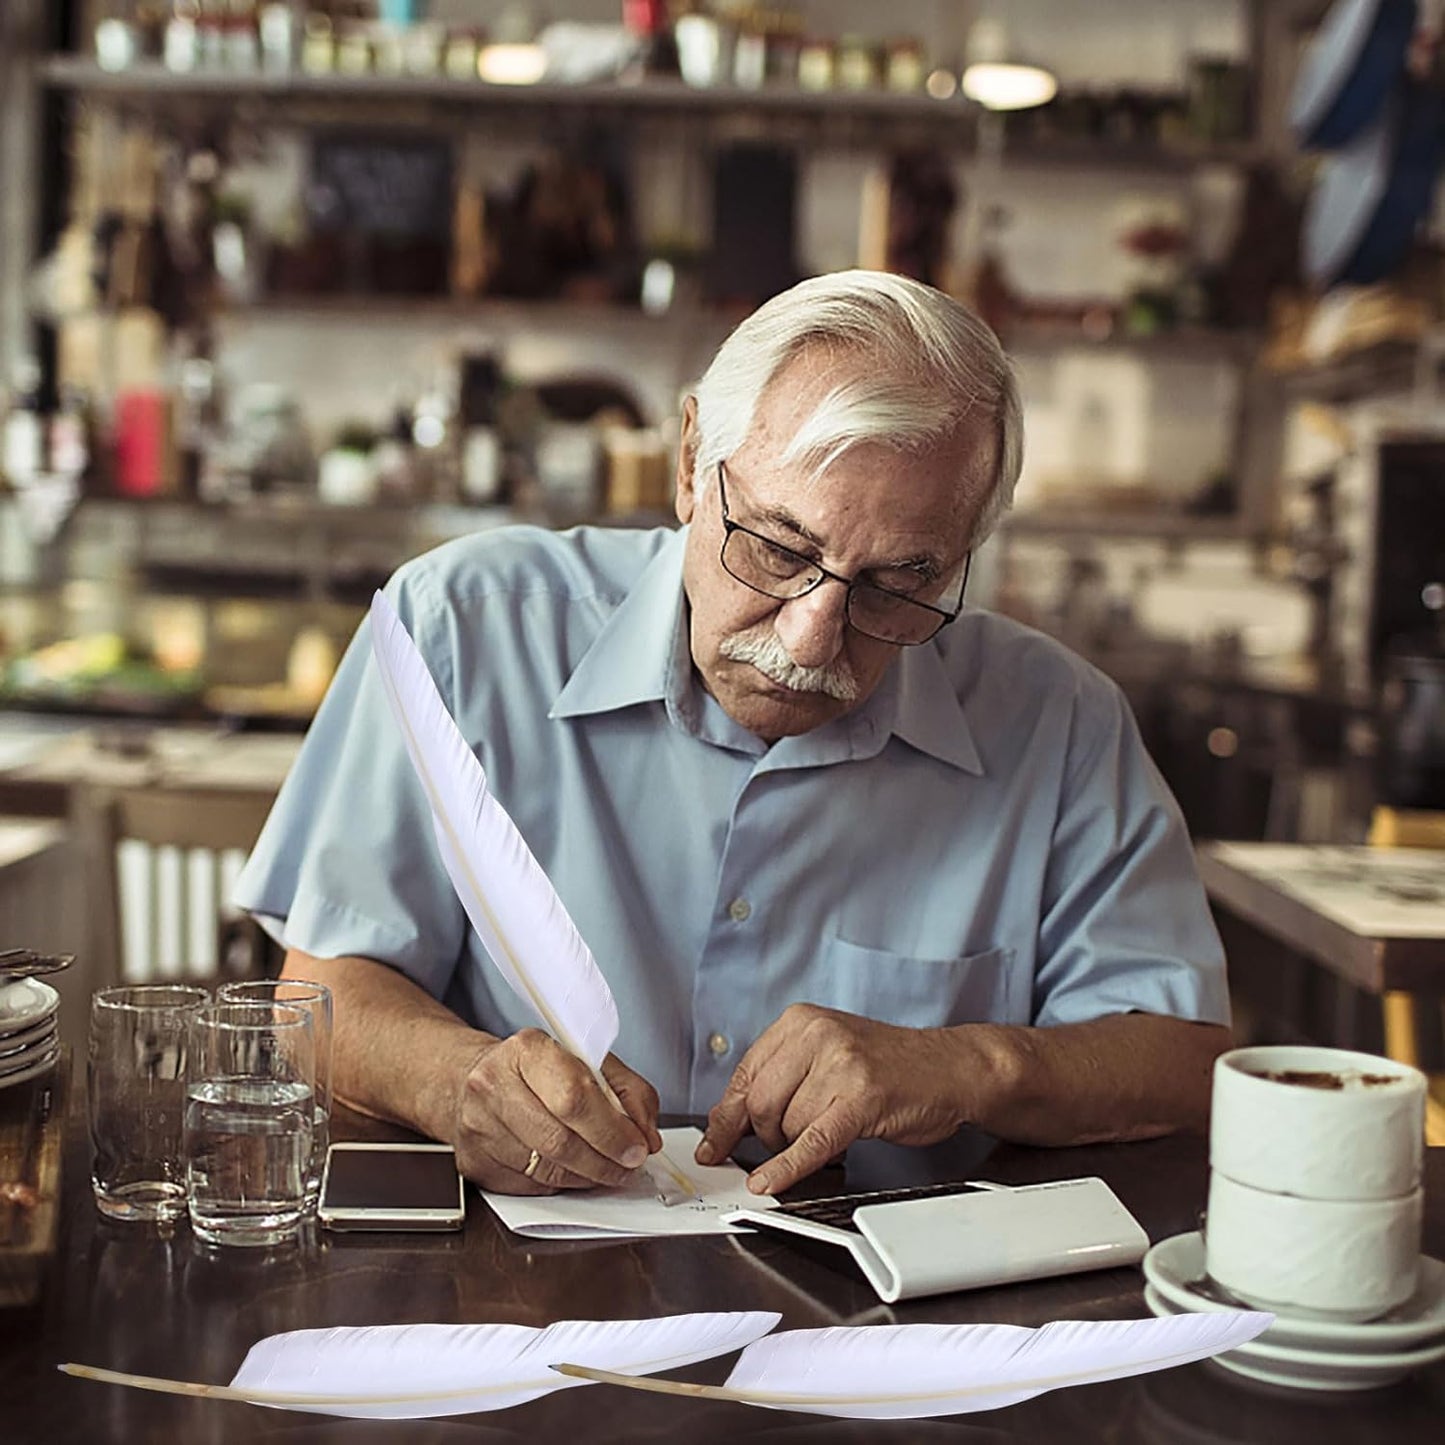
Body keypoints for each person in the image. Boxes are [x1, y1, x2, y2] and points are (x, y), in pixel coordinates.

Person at [235, 270, 1231, 1200]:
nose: (810, 637)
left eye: (898, 585)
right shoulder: (464, 627)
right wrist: (459, 1078)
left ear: (961, 556)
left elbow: (1182, 1064)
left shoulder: (1057, 723)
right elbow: (321, 1002)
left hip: (891, 1325)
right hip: (522, 1291)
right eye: (776, 546)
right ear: (687, 464)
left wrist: (971, 1063)